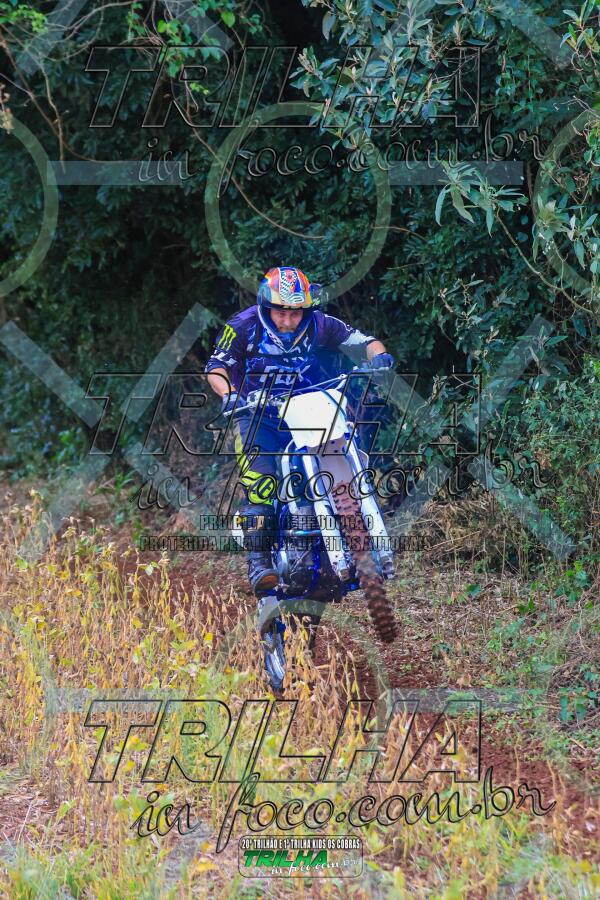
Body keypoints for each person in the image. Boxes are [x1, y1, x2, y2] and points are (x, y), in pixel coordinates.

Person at [206, 266, 394, 601]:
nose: (288, 320)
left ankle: (360, 539)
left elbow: (364, 342)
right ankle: (259, 564)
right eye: (280, 312)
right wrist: (229, 395)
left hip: (310, 406)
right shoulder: (244, 326)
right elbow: (216, 367)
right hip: (258, 414)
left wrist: (379, 357)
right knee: (261, 486)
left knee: (346, 455)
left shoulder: (320, 323)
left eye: (295, 312)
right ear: (266, 307)